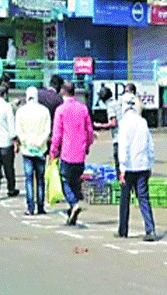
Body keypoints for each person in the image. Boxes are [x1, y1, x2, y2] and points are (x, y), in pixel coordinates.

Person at [50, 81, 94, 226]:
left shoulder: (61, 110)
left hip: (66, 152)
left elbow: (57, 134)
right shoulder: (83, 109)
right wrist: (87, 145)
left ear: (63, 91)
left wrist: (53, 151)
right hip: (80, 152)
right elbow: (89, 131)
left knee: (64, 181)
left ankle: (74, 204)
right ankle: (72, 213)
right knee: (75, 182)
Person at [117, 94, 157, 241]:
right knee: (144, 198)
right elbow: (150, 145)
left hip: (128, 168)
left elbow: (123, 147)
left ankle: (123, 229)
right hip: (143, 166)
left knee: (125, 199)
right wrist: (150, 163)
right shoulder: (143, 122)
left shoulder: (124, 124)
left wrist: (122, 169)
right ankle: (150, 228)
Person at [15, 87, 51, 216]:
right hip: (41, 149)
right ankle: (40, 206)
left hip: (27, 150)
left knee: (29, 179)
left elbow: (18, 130)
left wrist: (26, 142)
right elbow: (47, 130)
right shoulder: (44, 111)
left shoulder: (21, 111)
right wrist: (40, 142)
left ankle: (30, 207)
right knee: (40, 179)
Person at [93, 86, 122, 177]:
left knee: (118, 161)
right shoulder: (116, 102)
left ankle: (121, 182)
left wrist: (100, 126)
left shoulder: (110, 105)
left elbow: (113, 123)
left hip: (118, 137)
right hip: (124, 136)